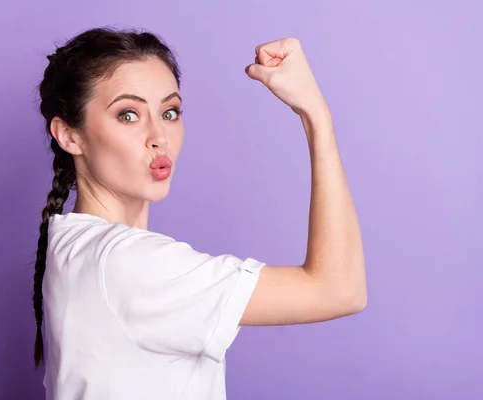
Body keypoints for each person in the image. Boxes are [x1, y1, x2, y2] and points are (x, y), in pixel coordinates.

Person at [32, 27, 367, 399]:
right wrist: (315, 115)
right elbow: (340, 290)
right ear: (69, 135)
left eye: (170, 112)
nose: (158, 135)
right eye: (128, 115)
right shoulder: (128, 264)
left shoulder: (74, 247)